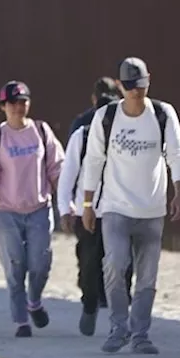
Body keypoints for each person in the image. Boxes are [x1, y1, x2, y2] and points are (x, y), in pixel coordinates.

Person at [81, 57, 180, 355]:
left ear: (148, 81)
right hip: (115, 207)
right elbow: (93, 161)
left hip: (152, 209)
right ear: (119, 86)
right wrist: (88, 204)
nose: (135, 92)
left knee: (147, 275)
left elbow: (177, 155)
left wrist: (179, 191)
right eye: (129, 87)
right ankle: (119, 327)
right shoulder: (107, 117)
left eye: (139, 85)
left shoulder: (163, 114)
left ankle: (140, 333)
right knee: (115, 264)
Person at [0, 81, 65, 338]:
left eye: (23, 102)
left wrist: (65, 203)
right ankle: (21, 321)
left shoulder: (41, 131)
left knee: (39, 263)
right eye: (13, 103)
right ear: (3, 106)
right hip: (6, 211)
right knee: (15, 266)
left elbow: (56, 169)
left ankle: (34, 301)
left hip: (38, 208)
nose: (19, 107)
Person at [56, 88, 123, 336]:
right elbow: (68, 175)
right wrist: (65, 209)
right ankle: (89, 304)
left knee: (121, 265)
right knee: (88, 264)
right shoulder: (82, 137)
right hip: (89, 212)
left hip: (120, 211)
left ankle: (120, 319)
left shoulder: (124, 138)